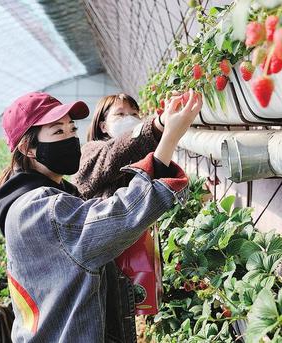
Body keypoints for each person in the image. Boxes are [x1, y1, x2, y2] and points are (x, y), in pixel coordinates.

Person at [0, 90, 201, 342]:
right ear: (28, 148)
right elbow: (123, 215)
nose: (70, 138)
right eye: (58, 132)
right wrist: (169, 138)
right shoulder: (40, 210)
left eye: (72, 129)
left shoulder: (38, 200)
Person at [73, 93, 172, 342]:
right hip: (104, 259)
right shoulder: (91, 152)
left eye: (134, 113)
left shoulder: (139, 154)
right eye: (120, 114)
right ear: (103, 125)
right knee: (110, 323)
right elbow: (115, 154)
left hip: (131, 254)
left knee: (129, 315)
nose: (129, 118)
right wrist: (157, 125)